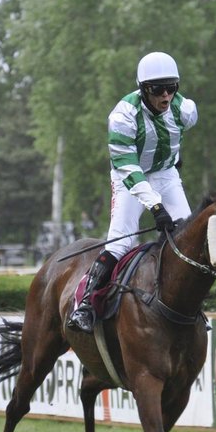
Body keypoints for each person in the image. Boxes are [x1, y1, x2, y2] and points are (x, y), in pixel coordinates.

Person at [66, 51, 198, 333]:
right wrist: (155, 206)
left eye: (171, 88)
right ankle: (85, 304)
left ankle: (192, 308)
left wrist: (174, 165)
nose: (166, 96)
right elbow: (128, 167)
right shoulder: (123, 116)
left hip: (165, 174)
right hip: (129, 176)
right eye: (157, 90)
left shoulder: (185, 110)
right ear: (143, 90)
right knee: (119, 243)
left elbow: (177, 139)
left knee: (189, 239)